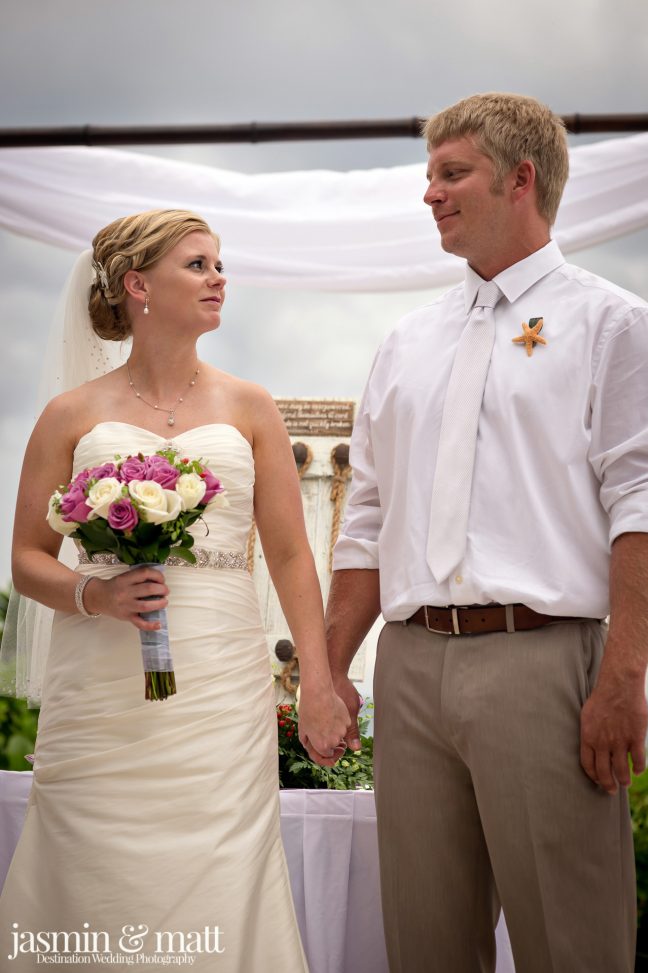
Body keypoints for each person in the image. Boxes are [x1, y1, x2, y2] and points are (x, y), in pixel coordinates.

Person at [321, 93, 648, 972]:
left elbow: (641, 503)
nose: (430, 193)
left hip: (541, 663)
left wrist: (624, 675)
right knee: (423, 944)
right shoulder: (406, 340)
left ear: (522, 178)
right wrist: (327, 669)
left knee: (571, 943)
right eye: (429, 175)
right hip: (410, 665)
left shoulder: (612, 323)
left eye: (451, 173)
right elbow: (367, 515)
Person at [0, 208, 349, 971]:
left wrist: (319, 680)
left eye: (219, 263)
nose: (219, 277)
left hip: (220, 679)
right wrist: (96, 596)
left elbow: (291, 555)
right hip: (98, 679)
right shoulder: (71, 414)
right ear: (137, 285)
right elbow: (27, 557)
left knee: (222, 865)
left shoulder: (250, 406)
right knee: (92, 863)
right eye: (198, 264)